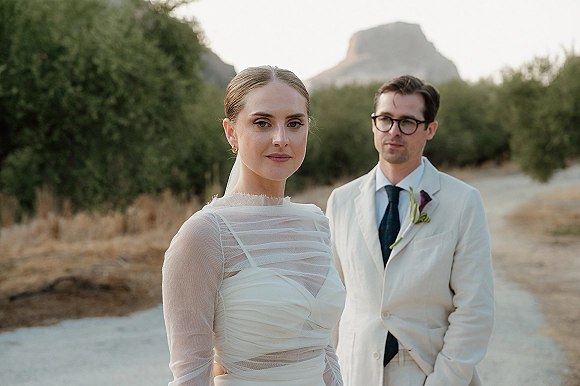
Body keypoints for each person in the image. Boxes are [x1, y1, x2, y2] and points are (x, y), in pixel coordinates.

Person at [162, 65, 345, 386]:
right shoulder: (205, 233)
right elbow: (191, 373)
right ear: (231, 132)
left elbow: (324, 349)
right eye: (262, 123)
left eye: (294, 123)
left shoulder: (316, 223)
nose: (281, 139)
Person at [326, 75, 494, 386]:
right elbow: (333, 298)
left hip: (425, 371)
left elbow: (475, 307)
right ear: (373, 123)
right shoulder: (341, 200)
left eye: (407, 122)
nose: (394, 131)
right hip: (355, 371)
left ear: (430, 129)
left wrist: (443, 380)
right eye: (385, 119)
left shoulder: (462, 201)